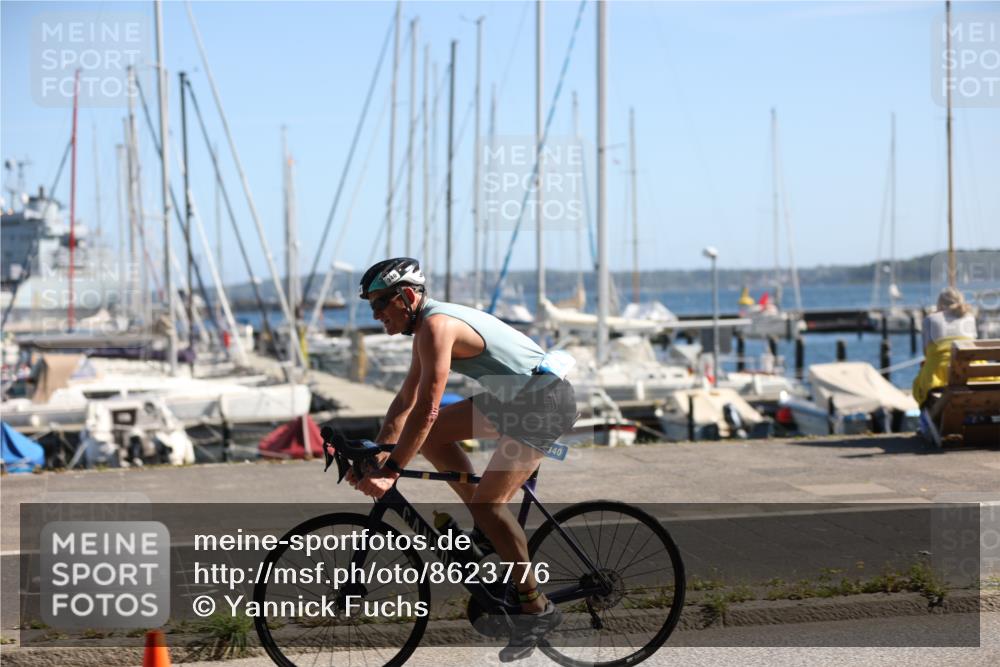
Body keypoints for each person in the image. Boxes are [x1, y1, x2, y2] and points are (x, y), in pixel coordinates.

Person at [350, 257, 577, 662]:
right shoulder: (425, 328)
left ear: (407, 295)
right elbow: (405, 402)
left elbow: (427, 409)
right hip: (516, 400)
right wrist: (381, 451)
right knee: (439, 447)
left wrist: (392, 471)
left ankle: (536, 606)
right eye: (371, 306)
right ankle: (489, 529)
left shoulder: (437, 326)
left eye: (381, 303)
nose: (376, 314)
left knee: (490, 504)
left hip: (544, 403)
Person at [912, 287, 977, 406]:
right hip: (972, 373)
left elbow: (926, 353)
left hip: (939, 376)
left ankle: (930, 419)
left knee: (918, 384)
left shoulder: (930, 319)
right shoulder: (970, 317)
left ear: (940, 303)